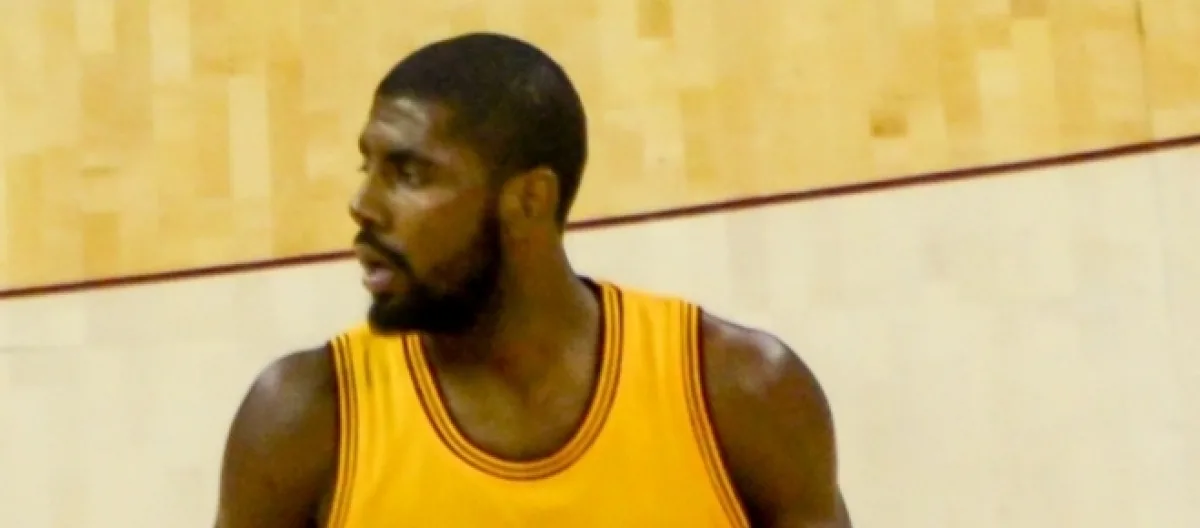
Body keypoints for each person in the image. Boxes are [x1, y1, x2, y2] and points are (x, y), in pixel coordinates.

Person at [214, 32, 852, 528]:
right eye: (368, 167)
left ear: (529, 200)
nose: (364, 205)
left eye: (408, 174)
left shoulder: (738, 392)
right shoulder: (302, 421)